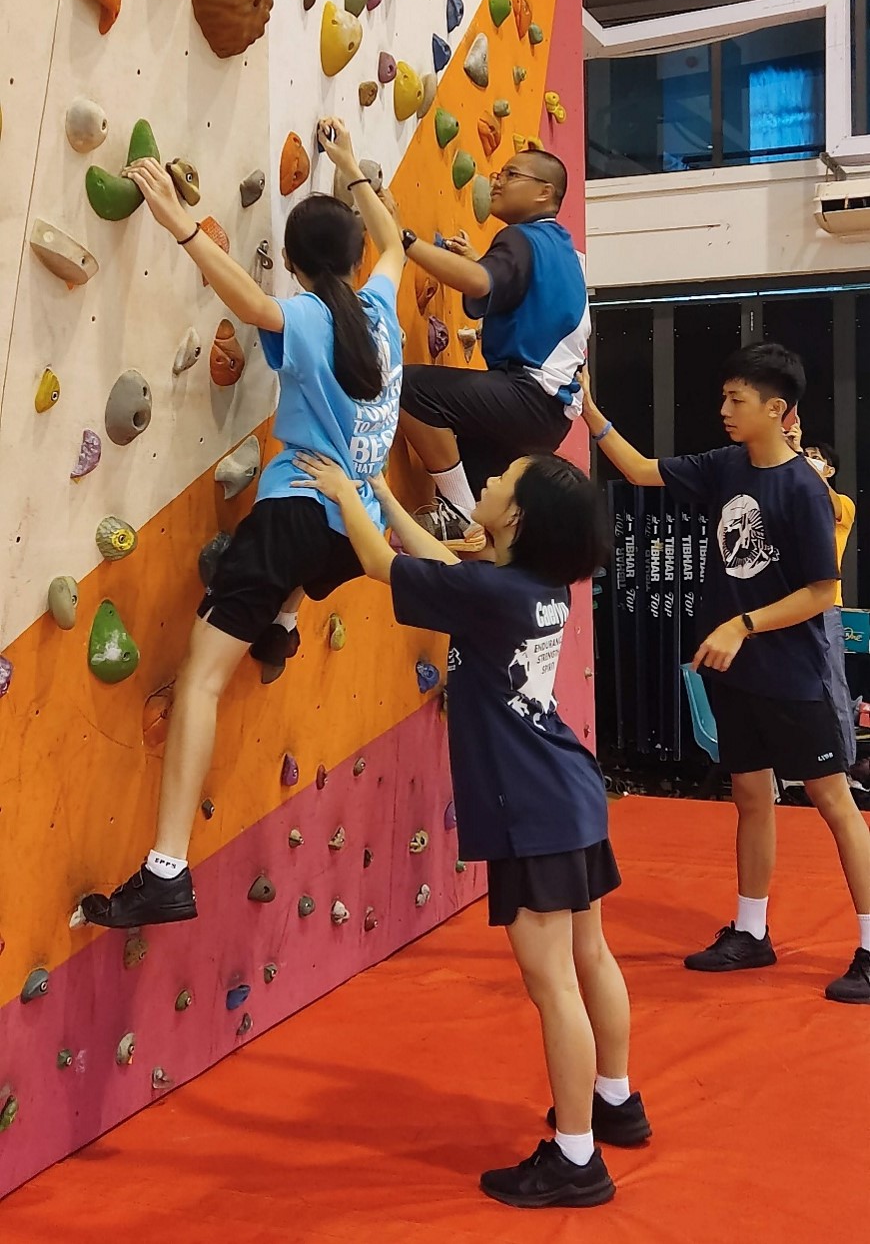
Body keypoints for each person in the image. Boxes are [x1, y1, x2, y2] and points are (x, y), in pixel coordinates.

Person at [293, 447, 650, 1210]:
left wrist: (342, 489)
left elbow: (382, 566)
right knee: (590, 953)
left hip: (534, 807)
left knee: (552, 980)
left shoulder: (495, 592)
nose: (485, 482)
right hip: (571, 793)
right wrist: (385, 493)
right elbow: (446, 574)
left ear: (514, 518)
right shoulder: (534, 587)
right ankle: (616, 1100)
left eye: (499, 481)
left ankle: (576, 1158)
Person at [77, 120, 405, 929]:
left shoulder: (304, 318)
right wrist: (344, 166)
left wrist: (178, 221)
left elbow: (249, 299)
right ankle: (284, 626)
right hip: (351, 528)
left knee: (200, 678)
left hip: (297, 513)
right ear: (357, 258)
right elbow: (394, 240)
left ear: (296, 264)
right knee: (287, 584)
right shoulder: (382, 303)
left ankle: (167, 869)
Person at [580, 342, 870, 1004]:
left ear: (778, 408)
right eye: (724, 398)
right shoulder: (725, 465)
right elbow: (639, 468)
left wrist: (742, 624)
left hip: (795, 674)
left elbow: (822, 591)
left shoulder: (804, 490)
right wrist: (591, 413)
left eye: (737, 400)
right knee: (749, 796)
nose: (724, 410)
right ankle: (750, 930)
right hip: (738, 675)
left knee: (834, 802)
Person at [396, 149, 591, 553]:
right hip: (546, 417)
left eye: (511, 174)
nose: (496, 180)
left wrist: (405, 241)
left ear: (544, 193)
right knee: (477, 482)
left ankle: (458, 511)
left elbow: (481, 283)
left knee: (408, 388)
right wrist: (478, 264)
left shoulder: (523, 238)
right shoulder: (564, 251)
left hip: (527, 396)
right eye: (499, 171)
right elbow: (497, 286)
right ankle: (465, 525)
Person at [786, 417, 858, 770]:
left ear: (829, 470)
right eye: (809, 454)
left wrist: (798, 451)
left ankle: (845, 764)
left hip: (826, 605)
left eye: (817, 457)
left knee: (833, 684)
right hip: (788, 604)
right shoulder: (799, 501)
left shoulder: (841, 504)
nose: (811, 459)